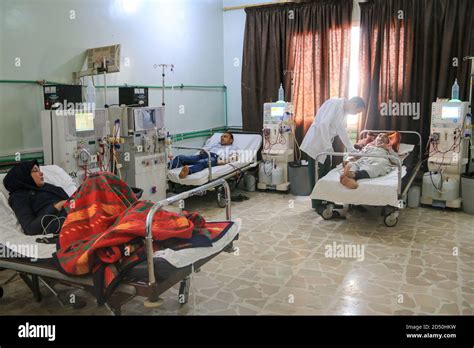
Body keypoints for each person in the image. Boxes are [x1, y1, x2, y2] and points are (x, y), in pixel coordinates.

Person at [300, 97, 366, 210]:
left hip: (325, 146)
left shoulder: (343, 113)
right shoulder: (334, 104)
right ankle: (318, 204)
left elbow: (341, 131)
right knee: (316, 174)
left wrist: (351, 149)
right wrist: (327, 146)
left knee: (326, 174)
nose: (356, 114)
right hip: (316, 144)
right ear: (354, 104)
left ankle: (328, 200)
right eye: (357, 111)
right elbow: (323, 125)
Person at [3, 160, 69, 236]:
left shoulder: (50, 187)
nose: (41, 173)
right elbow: (30, 228)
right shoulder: (19, 196)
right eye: (35, 170)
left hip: (75, 213)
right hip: (63, 223)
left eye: (39, 170)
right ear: (25, 175)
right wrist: (57, 206)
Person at [170, 132, 240, 179]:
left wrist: (223, 161)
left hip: (215, 157)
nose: (222, 138)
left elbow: (235, 157)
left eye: (225, 137)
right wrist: (202, 151)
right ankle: (168, 168)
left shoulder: (233, 148)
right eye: (221, 136)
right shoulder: (216, 144)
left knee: (203, 162)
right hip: (204, 154)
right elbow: (205, 148)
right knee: (181, 157)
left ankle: (188, 171)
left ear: (231, 140)